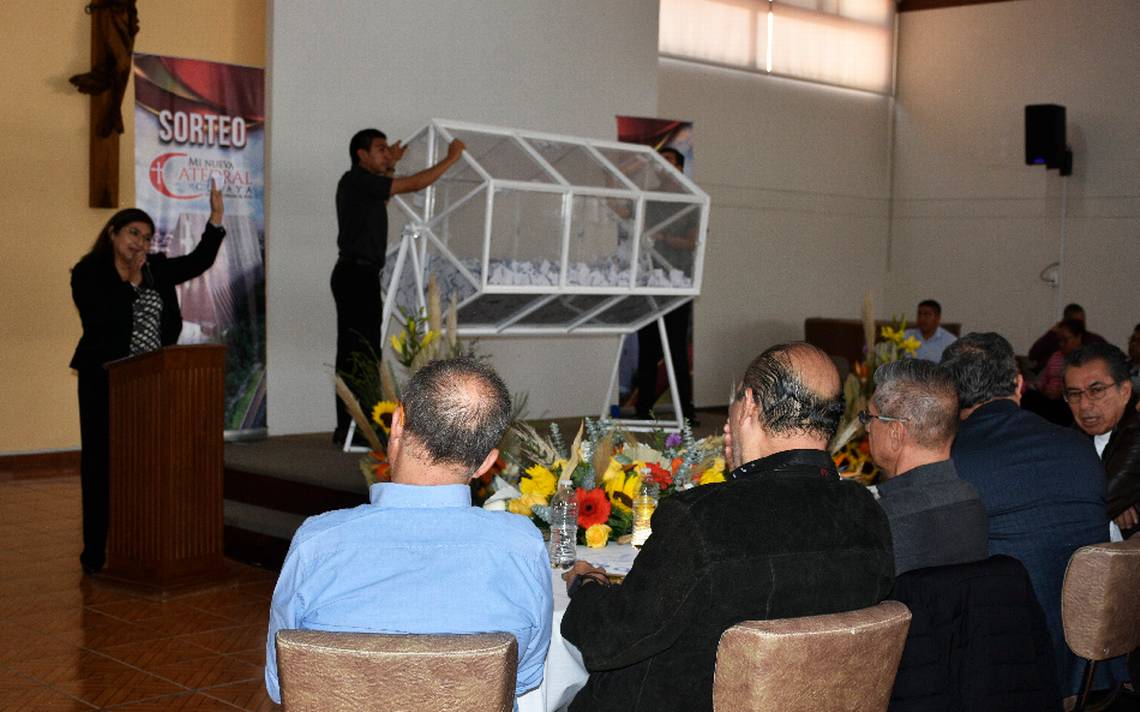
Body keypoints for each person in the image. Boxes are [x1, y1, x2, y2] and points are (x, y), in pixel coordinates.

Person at [560, 342, 894, 712]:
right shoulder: (869, 516)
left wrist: (587, 585)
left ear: (749, 405)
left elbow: (607, 641)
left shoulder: (702, 519)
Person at [265, 357, 552, 707]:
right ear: (487, 463)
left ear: (397, 424)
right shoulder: (521, 547)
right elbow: (524, 677)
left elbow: (282, 682)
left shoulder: (317, 544)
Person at [940, 332, 1108, 697]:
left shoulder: (951, 462)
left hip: (1009, 672)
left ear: (950, 396)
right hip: (1094, 663)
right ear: (1019, 384)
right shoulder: (1079, 448)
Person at [69, 187, 226, 575]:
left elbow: (198, 261)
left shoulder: (155, 269)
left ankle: (141, 540)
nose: (140, 242)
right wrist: (131, 279)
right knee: (100, 463)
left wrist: (215, 220)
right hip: (105, 380)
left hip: (154, 382)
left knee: (147, 463)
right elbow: (101, 318)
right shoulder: (89, 272)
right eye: (133, 233)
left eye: (146, 237)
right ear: (113, 234)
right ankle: (95, 549)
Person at [332, 129, 466, 446]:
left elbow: (388, 191)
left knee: (362, 351)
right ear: (361, 154)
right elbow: (415, 184)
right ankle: (356, 430)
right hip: (355, 275)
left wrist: (391, 163)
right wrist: (451, 157)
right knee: (359, 353)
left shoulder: (363, 184)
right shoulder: (357, 180)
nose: (386, 154)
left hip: (360, 275)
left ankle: (354, 429)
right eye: (380, 149)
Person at [866, 359, 987, 575]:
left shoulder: (881, 519)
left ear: (895, 433)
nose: (867, 428)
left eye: (869, 417)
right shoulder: (972, 499)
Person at [636, 147, 697, 422]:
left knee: (676, 349)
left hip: (677, 284)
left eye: (668, 160)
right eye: (659, 161)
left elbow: (692, 241)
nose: (662, 165)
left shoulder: (691, 200)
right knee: (648, 348)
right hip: (650, 282)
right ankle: (643, 410)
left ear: (680, 167)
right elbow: (634, 225)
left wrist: (663, 238)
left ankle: (685, 412)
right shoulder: (648, 198)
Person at [1063, 343, 1139, 539]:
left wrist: (1108, 502)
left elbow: (1092, 507)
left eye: (1096, 391)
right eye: (1074, 394)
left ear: (1125, 391)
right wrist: (1117, 503)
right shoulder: (1073, 434)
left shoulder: (1136, 432)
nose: (1084, 405)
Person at [1028, 302, 1106, 372]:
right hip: (1047, 376)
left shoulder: (1093, 340)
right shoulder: (1055, 336)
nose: (1080, 325)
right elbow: (1033, 355)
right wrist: (1051, 333)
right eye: (1076, 322)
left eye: (1082, 321)